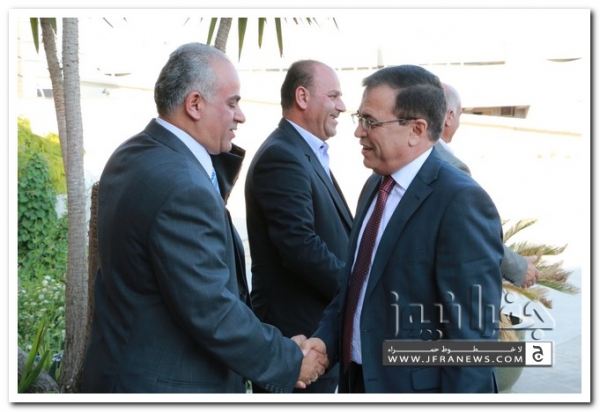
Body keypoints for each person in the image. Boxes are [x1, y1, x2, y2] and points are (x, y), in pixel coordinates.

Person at [81, 42, 327, 393]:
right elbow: (211, 309)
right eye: (232, 103)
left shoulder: (134, 153)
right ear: (194, 104)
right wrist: (289, 359)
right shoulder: (183, 186)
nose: (240, 116)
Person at [305, 64, 504, 393]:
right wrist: (325, 342)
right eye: (359, 118)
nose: (358, 132)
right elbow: (357, 287)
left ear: (416, 130)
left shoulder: (460, 201)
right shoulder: (375, 186)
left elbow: (473, 340)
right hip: (359, 382)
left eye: (371, 122)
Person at [245, 60, 353, 393]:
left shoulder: (302, 152)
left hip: (317, 337)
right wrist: (357, 292)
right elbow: (299, 245)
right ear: (302, 97)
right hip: (298, 343)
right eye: (333, 96)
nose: (342, 106)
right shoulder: (282, 155)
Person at [435, 82, 540, 288]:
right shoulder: (449, 166)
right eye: (459, 115)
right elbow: (471, 232)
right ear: (449, 116)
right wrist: (518, 267)